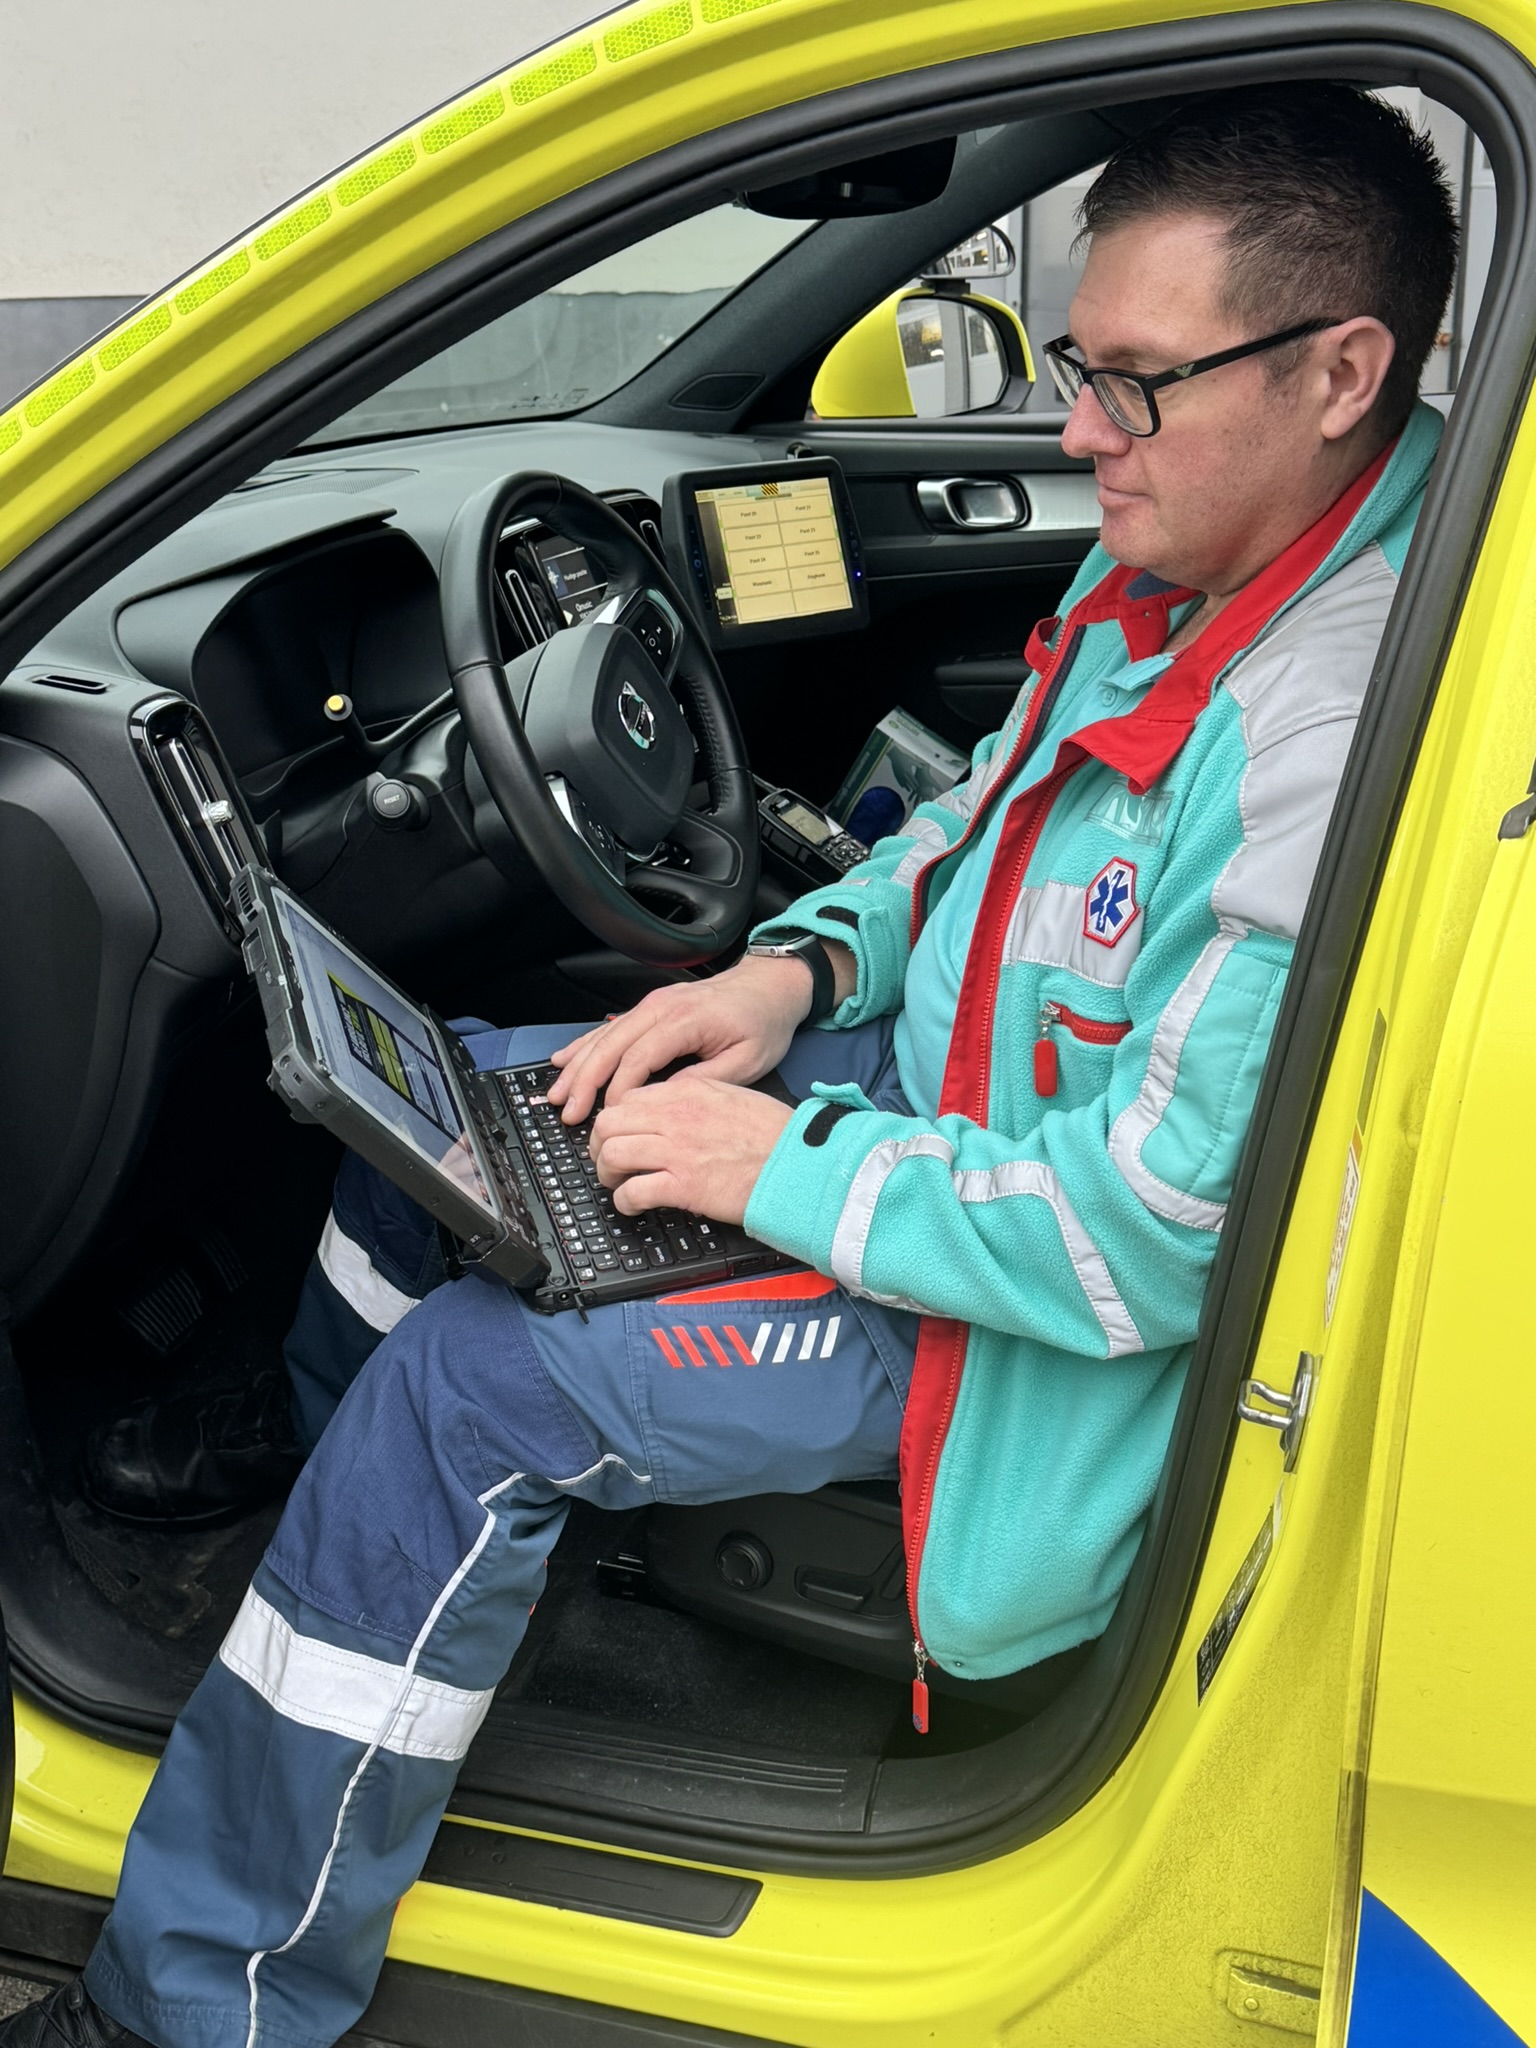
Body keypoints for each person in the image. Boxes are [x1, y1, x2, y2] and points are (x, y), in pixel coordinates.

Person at [9, 80, 1457, 2048]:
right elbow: (981, 832)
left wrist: (769, 1167)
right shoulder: (1179, 574)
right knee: (470, 1092)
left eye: (1131, 382)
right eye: (1072, 364)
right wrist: (779, 982)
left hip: (1013, 1328)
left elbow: (1143, 1242)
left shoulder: (1327, 732)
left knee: (470, 1383)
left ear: (1339, 370)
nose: (1073, 428)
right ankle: (312, 1530)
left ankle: (206, 1996)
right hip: (942, 1126)